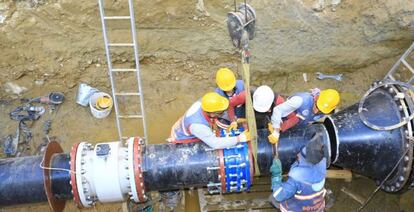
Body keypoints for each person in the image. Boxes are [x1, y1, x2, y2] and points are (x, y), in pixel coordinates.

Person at [169, 92, 250, 149]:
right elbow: (215, 144)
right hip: (181, 138)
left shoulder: (205, 102)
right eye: (221, 112)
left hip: (181, 125)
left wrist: (234, 120)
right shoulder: (198, 126)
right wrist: (239, 139)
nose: (223, 112)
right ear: (211, 114)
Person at [269, 133, 327, 212]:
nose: (298, 154)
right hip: (317, 208)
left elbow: (278, 196)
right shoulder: (321, 164)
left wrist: (276, 175)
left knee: (273, 198)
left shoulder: (297, 179)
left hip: (297, 209)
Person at [267, 88, 340, 144]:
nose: (316, 111)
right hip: (286, 116)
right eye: (317, 106)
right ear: (316, 98)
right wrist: (276, 130)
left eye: (321, 110)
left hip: (298, 125)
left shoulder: (327, 110)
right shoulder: (301, 100)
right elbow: (278, 110)